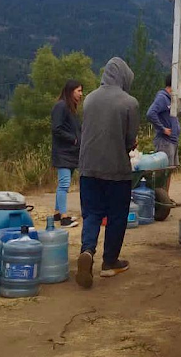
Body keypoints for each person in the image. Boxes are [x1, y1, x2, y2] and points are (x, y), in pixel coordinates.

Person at [75, 57, 140, 288]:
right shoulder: (129, 102)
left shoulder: (89, 99)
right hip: (115, 170)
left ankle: (87, 251)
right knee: (116, 216)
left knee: (91, 213)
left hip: (88, 168)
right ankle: (109, 262)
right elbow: (129, 140)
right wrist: (130, 145)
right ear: (123, 77)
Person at [51, 79, 83, 228]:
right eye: (79, 91)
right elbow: (56, 129)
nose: (81, 94)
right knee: (64, 184)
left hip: (70, 153)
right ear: (71, 91)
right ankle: (64, 218)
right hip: (63, 153)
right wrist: (73, 140)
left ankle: (57, 212)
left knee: (62, 184)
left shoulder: (71, 108)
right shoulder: (61, 106)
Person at [146, 74, 181, 205]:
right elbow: (150, 113)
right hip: (164, 141)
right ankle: (159, 199)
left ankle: (166, 197)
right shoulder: (162, 98)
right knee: (163, 172)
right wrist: (162, 129)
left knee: (169, 170)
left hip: (173, 140)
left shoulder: (171, 99)